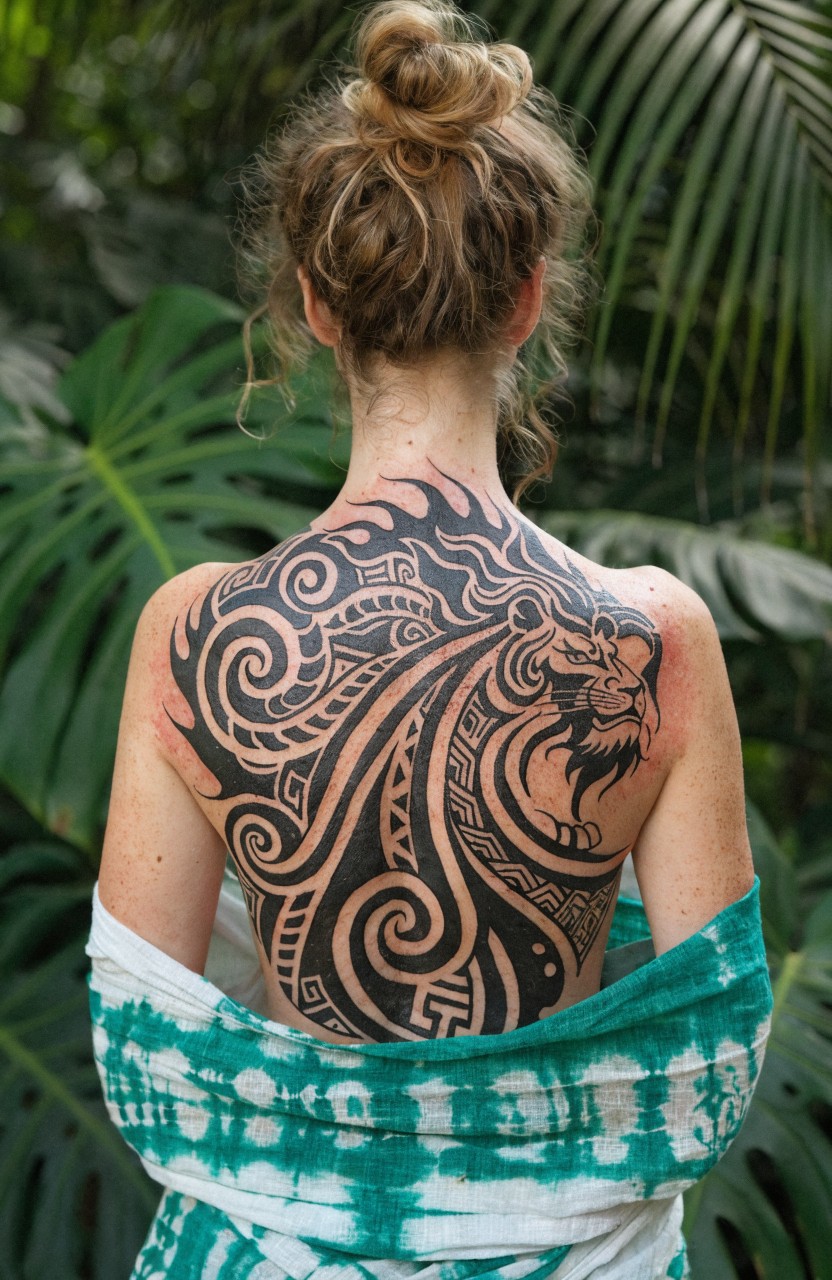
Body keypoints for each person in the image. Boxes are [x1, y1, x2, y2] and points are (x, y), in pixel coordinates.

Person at [88, 3, 772, 1276]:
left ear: (316, 308)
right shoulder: (651, 641)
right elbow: (710, 1061)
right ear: (524, 301)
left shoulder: (193, 632)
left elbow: (149, 1058)